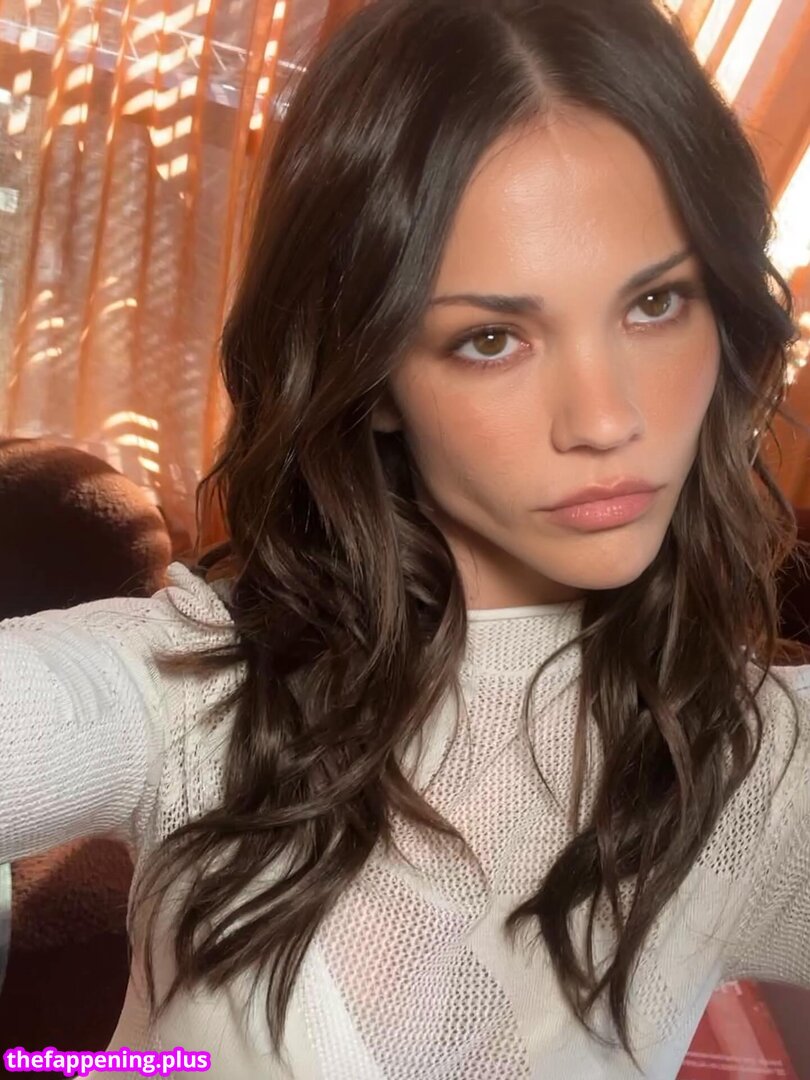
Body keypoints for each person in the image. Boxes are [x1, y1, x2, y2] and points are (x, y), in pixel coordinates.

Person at [2, 0, 809, 1076]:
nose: (608, 419)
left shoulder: (757, 769)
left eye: (656, 302)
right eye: (492, 337)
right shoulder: (189, 699)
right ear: (374, 377)